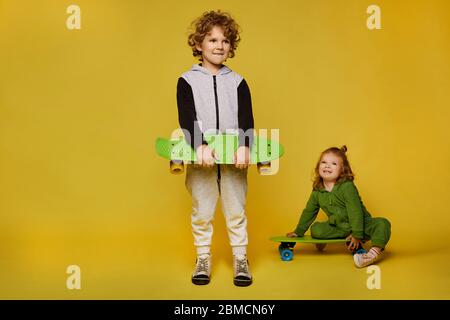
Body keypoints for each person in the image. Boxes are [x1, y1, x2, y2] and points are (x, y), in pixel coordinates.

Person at [176, 10, 254, 286]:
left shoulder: (238, 82)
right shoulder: (187, 81)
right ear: (198, 44)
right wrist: (199, 146)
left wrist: (245, 145)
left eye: (224, 41)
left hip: (234, 158)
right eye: (212, 40)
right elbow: (187, 118)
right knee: (202, 210)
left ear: (231, 47)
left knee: (236, 210)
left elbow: (247, 117)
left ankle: (241, 259)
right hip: (202, 158)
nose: (219, 45)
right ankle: (203, 258)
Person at [286, 146, 391, 268]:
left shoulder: (347, 187)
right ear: (318, 166)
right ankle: (338, 238)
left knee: (383, 224)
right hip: (339, 227)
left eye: (333, 163)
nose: (327, 166)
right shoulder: (317, 191)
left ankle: (371, 254)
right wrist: (298, 231)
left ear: (342, 170)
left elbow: (355, 210)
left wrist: (357, 234)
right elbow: (309, 211)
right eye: (323, 162)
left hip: (360, 225)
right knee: (316, 230)